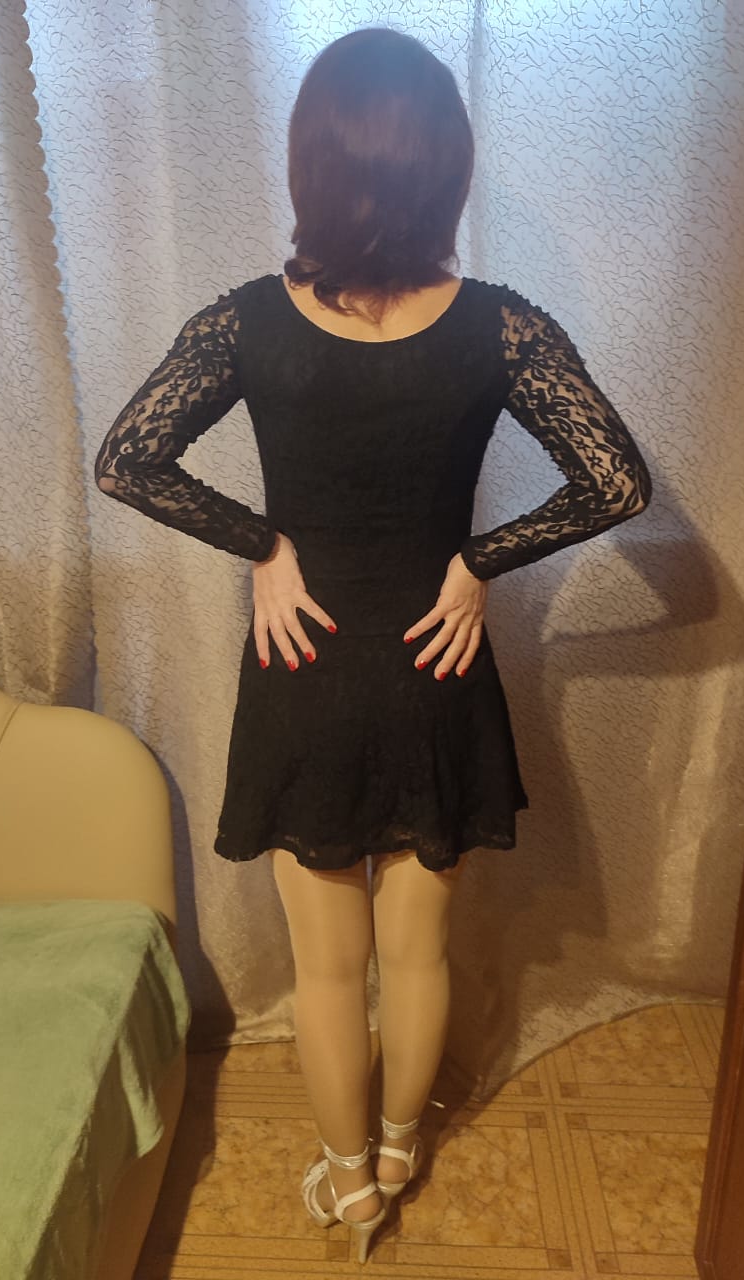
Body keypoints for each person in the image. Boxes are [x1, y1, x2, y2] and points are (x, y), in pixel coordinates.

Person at [94, 25, 652, 1265]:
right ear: (447, 168)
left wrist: (264, 546)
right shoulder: (503, 327)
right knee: (420, 951)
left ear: (312, 164)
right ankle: (402, 1147)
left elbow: (125, 459)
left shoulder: (244, 322)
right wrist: (477, 562)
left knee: (328, 969)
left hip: (302, 671)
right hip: (436, 671)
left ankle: (351, 1185)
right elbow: (618, 480)